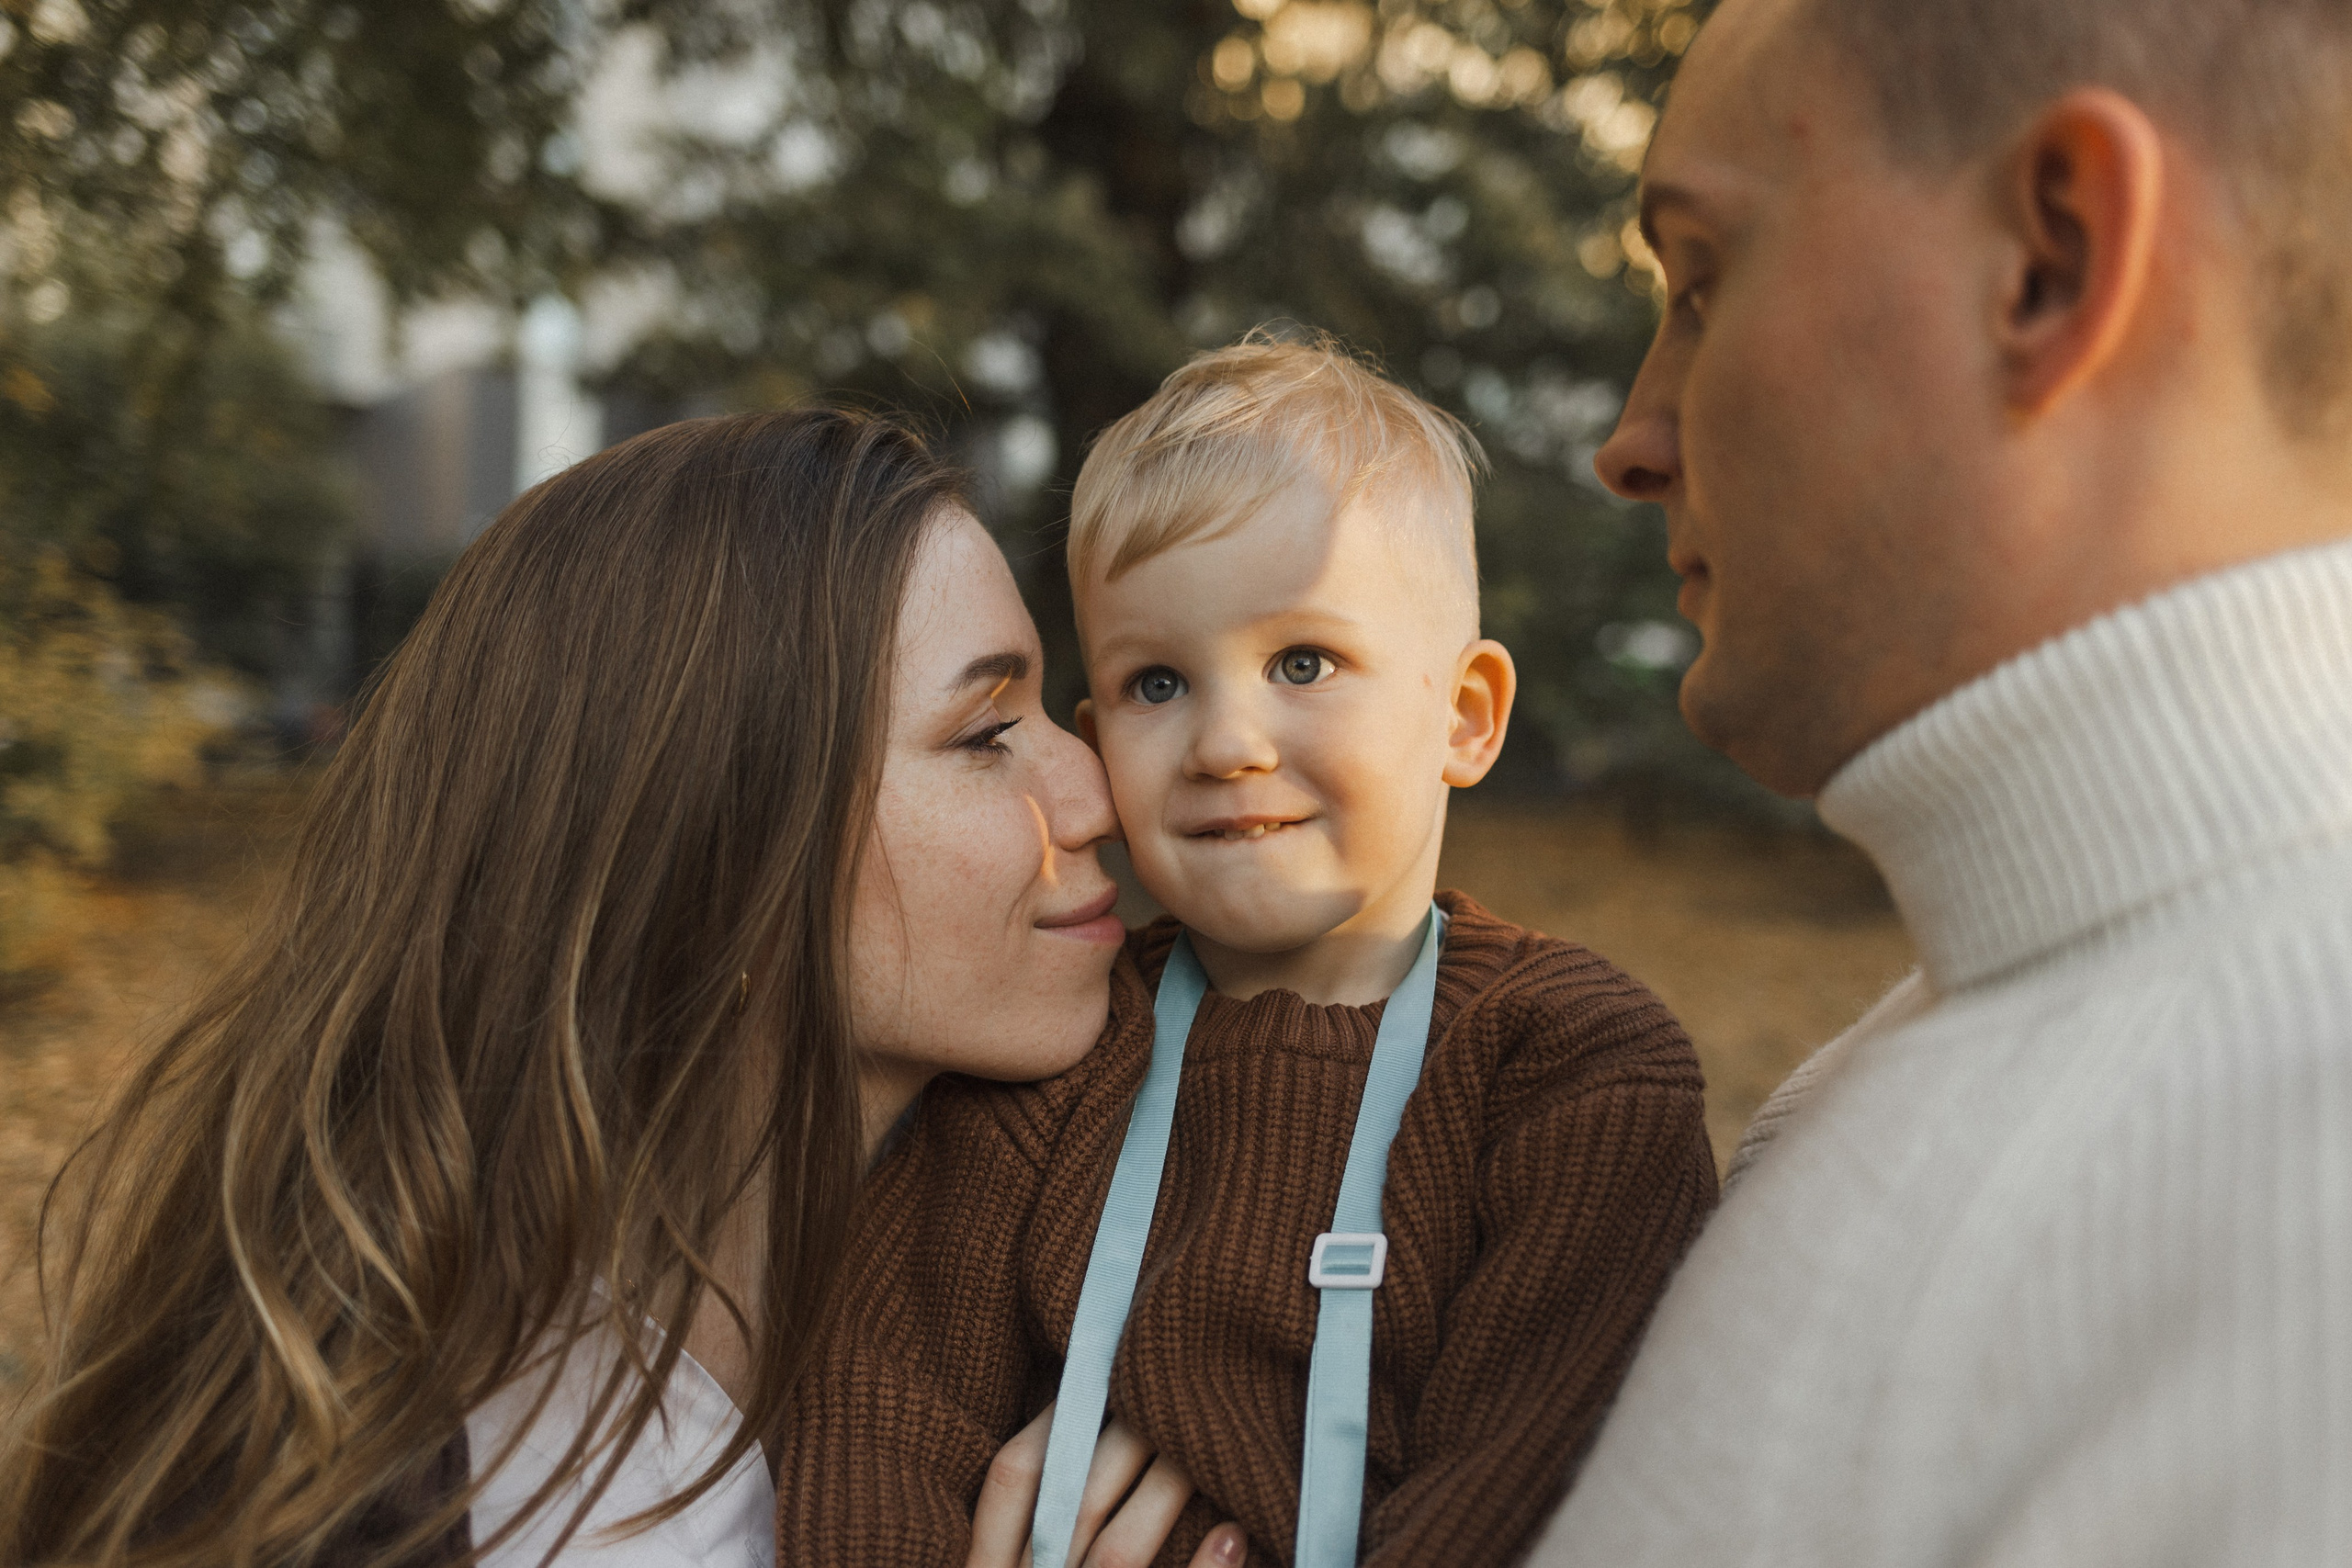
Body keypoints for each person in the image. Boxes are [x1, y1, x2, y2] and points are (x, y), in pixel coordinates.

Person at [0, 410, 1243, 1568]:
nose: (1098, 797)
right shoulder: (368, 1474)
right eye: (985, 737)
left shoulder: (1122, 1243)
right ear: (719, 835)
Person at [1526, 0, 2352, 1562]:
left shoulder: (2310, 1192)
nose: (1632, 441)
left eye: (1700, 280)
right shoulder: (1905, 1065)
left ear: (2050, 258)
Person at [776, 339, 1720, 1566]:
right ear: (1096, 734)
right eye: (1157, 682)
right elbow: (874, 1420)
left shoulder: (1571, 1071)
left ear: (1465, 715)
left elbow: (1537, 1488)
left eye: (1302, 663)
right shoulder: (1057, 1053)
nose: (1226, 740)